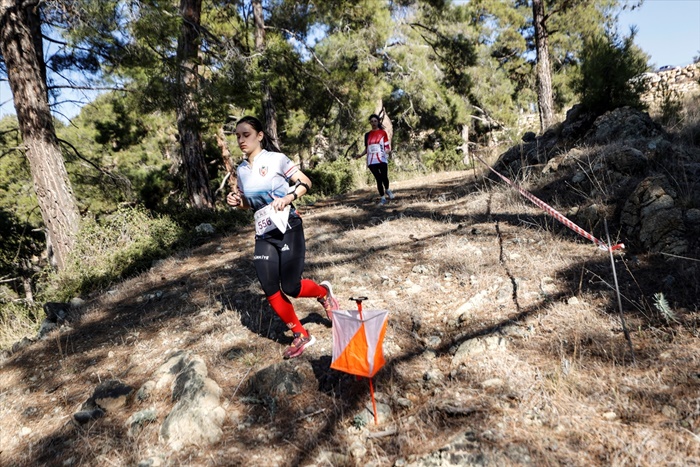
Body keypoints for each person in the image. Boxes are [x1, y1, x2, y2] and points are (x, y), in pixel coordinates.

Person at [226, 116, 340, 359]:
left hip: (288, 226)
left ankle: (323, 293)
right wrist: (237, 202)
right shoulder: (241, 170)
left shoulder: (276, 159)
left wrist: (288, 197)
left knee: (292, 286)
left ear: (260, 136)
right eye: (237, 136)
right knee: (269, 286)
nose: (240, 140)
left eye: (246, 135)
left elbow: (305, 181)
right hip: (264, 231)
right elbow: (249, 203)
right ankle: (301, 334)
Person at [357, 113, 394, 205]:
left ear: (378, 122)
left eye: (375, 121)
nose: (373, 123)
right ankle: (382, 198)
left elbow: (387, 146)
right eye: (372, 121)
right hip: (371, 160)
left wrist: (387, 151)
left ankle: (387, 189)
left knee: (384, 177)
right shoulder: (367, 135)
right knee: (378, 179)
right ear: (370, 123)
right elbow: (367, 148)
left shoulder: (383, 133)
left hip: (382, 159)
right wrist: (360, 155)